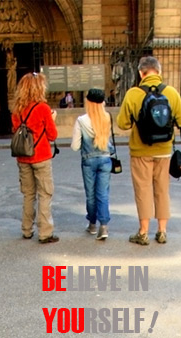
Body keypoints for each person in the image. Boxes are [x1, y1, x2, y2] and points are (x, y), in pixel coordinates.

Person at [116, 55, 181, 245]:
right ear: (159, 72)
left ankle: (143, 232)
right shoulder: (171, 93)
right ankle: (162, 231)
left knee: (143, 190)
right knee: (162, 190)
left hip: (140, 150)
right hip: (164, 150)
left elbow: (122, 123)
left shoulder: (133, 93)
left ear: (141, 73)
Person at [11, 72, 59, 244]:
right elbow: (52, 135)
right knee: (45, 193)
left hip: (23, 158)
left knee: (28, 194)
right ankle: (45, 232)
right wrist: (52, 119)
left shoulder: (16, 111)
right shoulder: (43, 108)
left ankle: (26, 229)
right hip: (41, 156)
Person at [71, 88, 114, 240]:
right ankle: (104, 226)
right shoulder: (107, 117)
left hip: (88, 161)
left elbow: (75, 146)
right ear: (102, 102)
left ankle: (92, 224)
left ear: (88, 102)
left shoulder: (81, 120)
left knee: (90, 195)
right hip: (105, 158)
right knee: (103, 193)